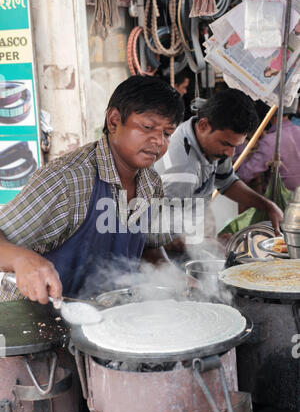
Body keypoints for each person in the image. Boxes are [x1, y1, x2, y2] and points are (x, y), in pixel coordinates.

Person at [0, 75, 184, 304]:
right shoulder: (66, 181)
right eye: (148, 127)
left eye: (167, 133)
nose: (158, 141)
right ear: (114, 121)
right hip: (39, 321)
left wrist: (179, 281)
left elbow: (148, 249)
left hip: (111, 318)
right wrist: (20, 259)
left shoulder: (151, 184)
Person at [154, 88, 283, 249]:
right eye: (226, 144)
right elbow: (156, 239)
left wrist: (267, 205)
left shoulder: (207, 140)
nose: (230, 153)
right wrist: (211, 244)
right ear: (203, 125)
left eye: (235, 146)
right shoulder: (181, 172)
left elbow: (227, 182)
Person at [236, 99, 300, 193]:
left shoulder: (271, 140)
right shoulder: (297, 130)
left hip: (283, 201)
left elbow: (245, 174)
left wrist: (240, 144)